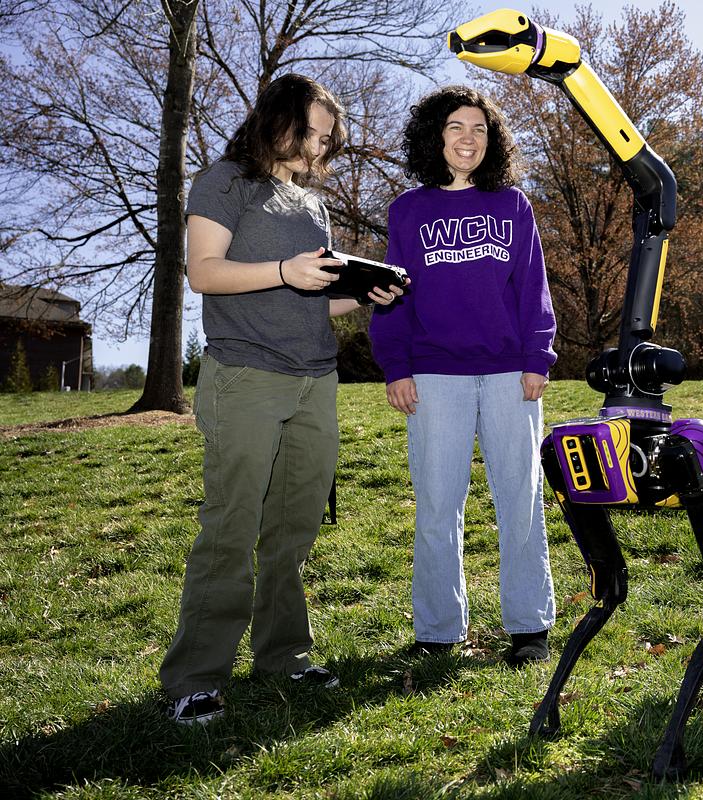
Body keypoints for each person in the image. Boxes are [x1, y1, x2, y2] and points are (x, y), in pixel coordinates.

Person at [160, 73, 405, 725]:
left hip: (314, 378)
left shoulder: (311, 206)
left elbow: (314, 292)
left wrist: (365, 293)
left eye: (327, 139)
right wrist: (282, 270)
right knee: (232, 525)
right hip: (244, 372)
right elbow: (204, 271)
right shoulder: (225, 181)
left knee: (293, 528)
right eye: (309, 131)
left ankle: (284, 654)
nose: (316, 147)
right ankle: (195, 674)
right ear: (276, 119)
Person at [369, 85, 557, 666]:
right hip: (434, 375)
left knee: (520, 498)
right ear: (436, 136)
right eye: (456, 127)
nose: (467, 138)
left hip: (508, 374)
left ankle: (528, 626)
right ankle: (438, 630)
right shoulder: (408, 211)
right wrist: (395, 366)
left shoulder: (513, 205)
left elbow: (532, 286)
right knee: (437, 503)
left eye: (479, 128)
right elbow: (390, 296)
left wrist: (537, 357)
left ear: (491, 140)